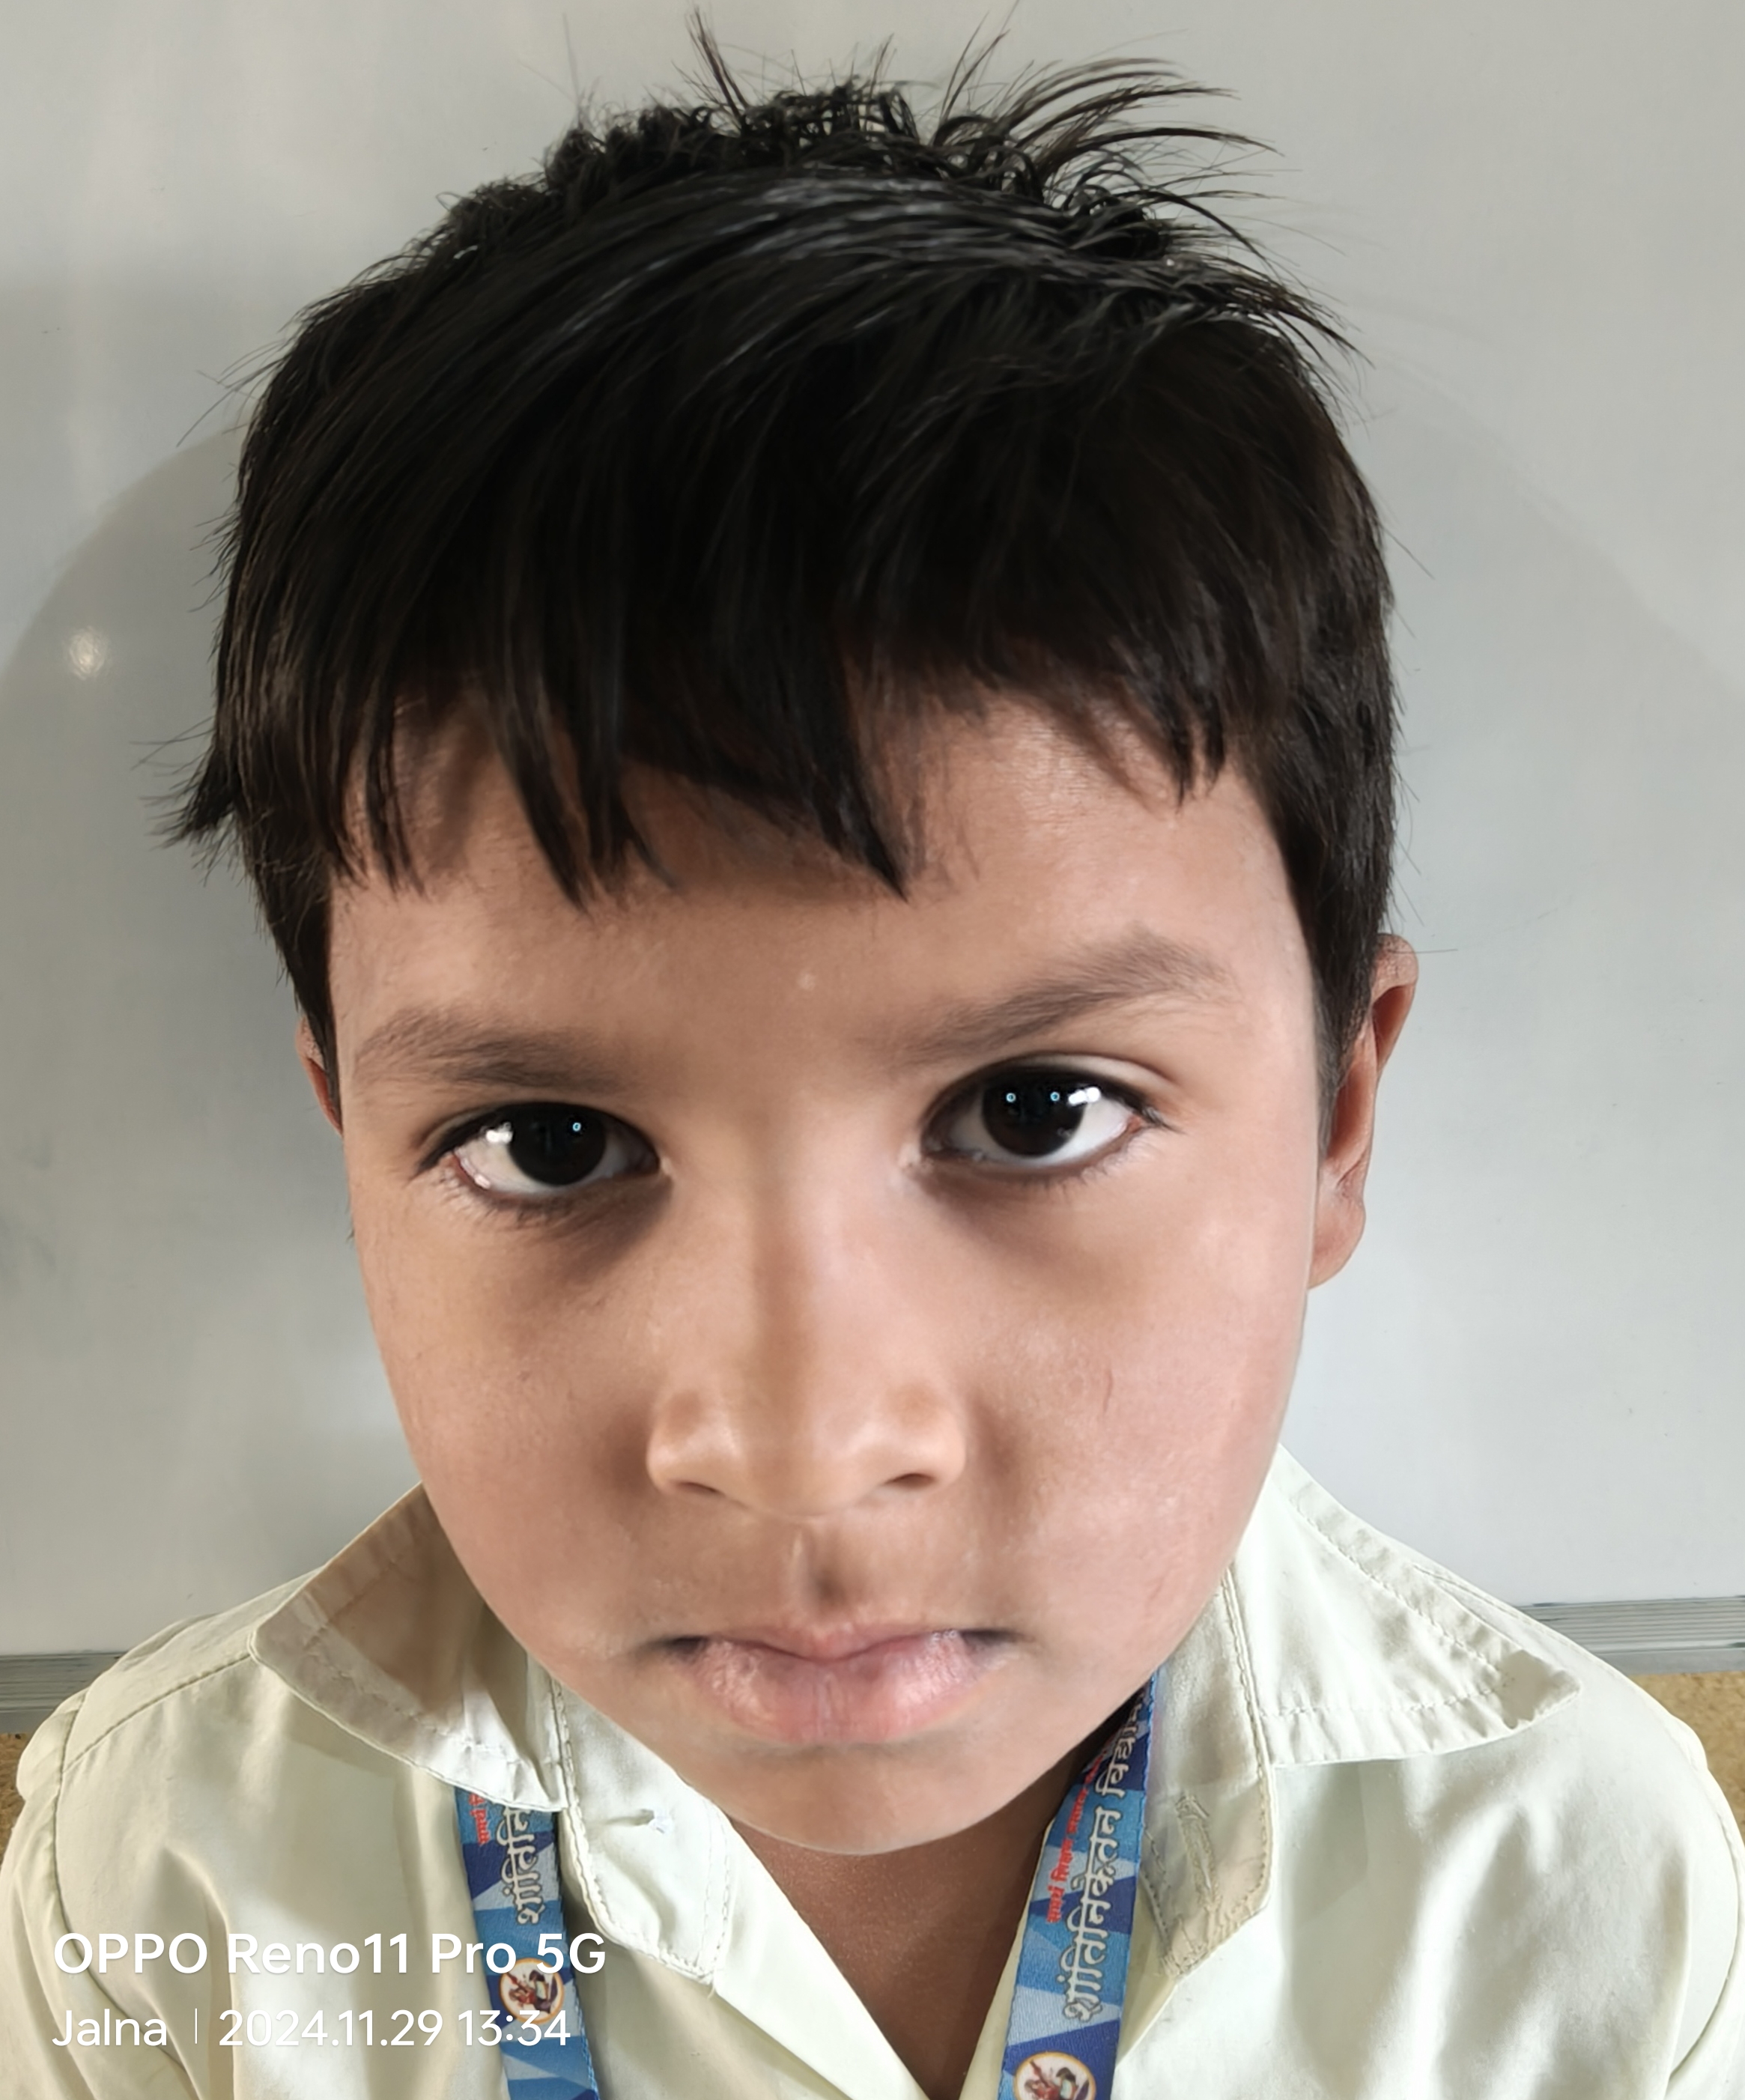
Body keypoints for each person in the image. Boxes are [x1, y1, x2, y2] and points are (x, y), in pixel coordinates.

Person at [1, 36, 1741, 2100]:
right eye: (551, 1142)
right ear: (350, 1150)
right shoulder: (172, 1883)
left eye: (1033, 1111)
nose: (804, 1446)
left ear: (1338, 1122)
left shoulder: (1577, 1890)